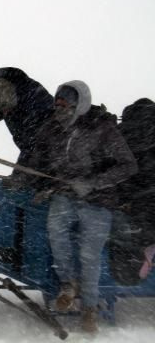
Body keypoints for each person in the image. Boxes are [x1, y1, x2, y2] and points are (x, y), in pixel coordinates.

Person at [25, 81, 137, 333]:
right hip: (64, 194)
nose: (59, 108)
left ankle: (89, 308)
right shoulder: (52, 128)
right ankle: (68, 283)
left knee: (90, 255)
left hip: (99, 200)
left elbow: (128, 165)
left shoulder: (102, 128)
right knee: (56, 233)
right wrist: (32, 180)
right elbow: (37, 158)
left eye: (66, 104)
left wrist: (92, 183)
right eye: (57, 103)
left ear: (81, 104)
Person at [108, 98, 155, 283]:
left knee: (126, 235)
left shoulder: (119, 133)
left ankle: (134, 265)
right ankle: (143, 255)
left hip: (127, 202)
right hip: (146, 202)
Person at [0, 67, 53, 179]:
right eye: (2, 111)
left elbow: (35, 143)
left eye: (5, 109)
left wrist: (19, 174)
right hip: (33, 155)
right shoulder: (3, 98)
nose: (5, 113)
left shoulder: (32, 96)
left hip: (55, 156)